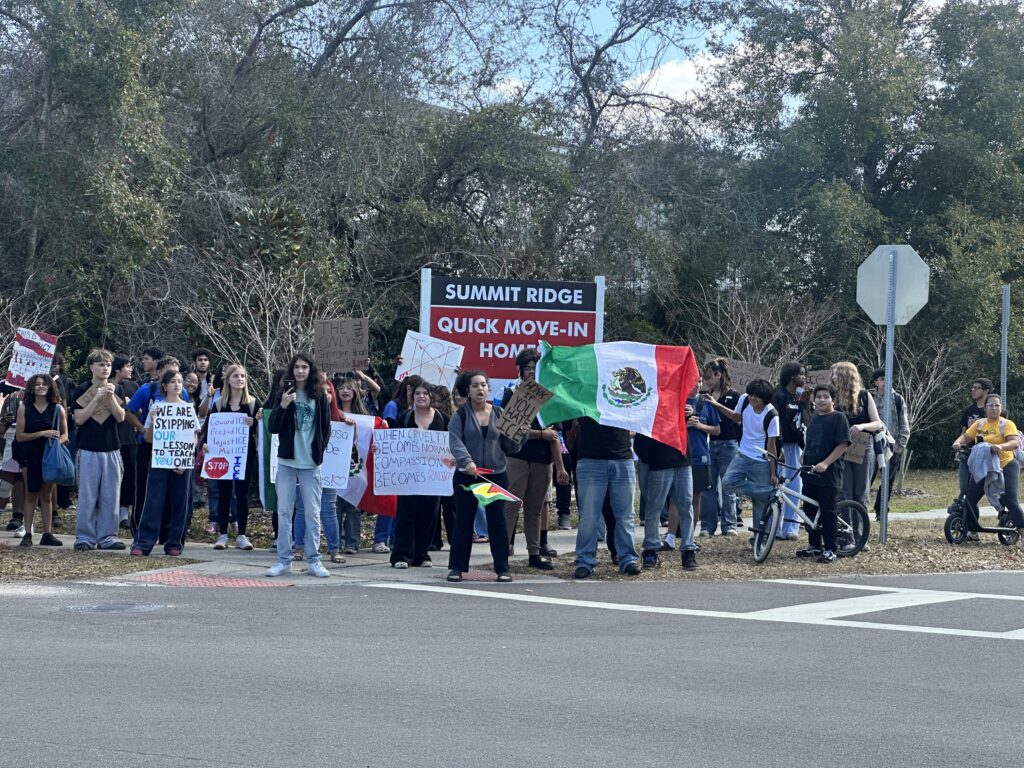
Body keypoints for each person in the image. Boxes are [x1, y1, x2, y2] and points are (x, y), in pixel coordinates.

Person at [447, 371, 524, 583]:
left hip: (495, 476)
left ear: (488, 389)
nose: (480, 389)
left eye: (483, 385)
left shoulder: (499, 413)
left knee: (497, 522)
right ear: (467, 391)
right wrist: (468, 462)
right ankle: (457, 568)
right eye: (475, 386)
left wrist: (521, 434)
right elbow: (455, 442)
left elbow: (511, 447)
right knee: (463, 522)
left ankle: (502, 568)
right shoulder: (460, 416)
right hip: (467, 476)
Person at [500, 349, 569, 571]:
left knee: (535, 508)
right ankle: (501, 553)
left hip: (543, 461)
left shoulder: (549, 396)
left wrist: (560, 467)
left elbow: (554, 436)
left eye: (535, 369)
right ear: (520, 370)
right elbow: (511, 430)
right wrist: (539, 434)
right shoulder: (512, 393)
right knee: (511, 505)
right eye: (527, 368)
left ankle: (534, 553)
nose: (531, 372)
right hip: (517, 458)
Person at [266, 353, 333, 578]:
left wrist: (318, 453)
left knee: (313, 513)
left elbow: (326, 428)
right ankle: (284, 560)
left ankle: (314, 560)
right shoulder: (283, 394)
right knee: (284, 512)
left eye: (305, 367)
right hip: (286, 463)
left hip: (311, 465)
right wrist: (283, 406)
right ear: (291, 370)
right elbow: (272, 427)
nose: (300, 371)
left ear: (310, 370)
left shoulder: (319, 395)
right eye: (297, 367)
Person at [130, 370, 201, 556]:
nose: (177, 385)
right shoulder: (157, 407)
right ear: (164, 386)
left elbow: (194, 435)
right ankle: (143, 542)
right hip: (160, 459)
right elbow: (148, 438)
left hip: (181, 462)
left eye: (179, 381)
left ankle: (174, 542)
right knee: (153, 500)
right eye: (172, 382)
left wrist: (186, 458)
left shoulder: (188, 408)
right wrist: (153, 420)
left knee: (179, 502)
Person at [708, 378, 780, 542]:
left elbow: (772, 446)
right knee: (727, 482)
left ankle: (760, 539)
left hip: (761, 460)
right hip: (742, 454)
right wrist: (715, 404)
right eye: (750, 394)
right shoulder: (744, 400)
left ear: (765, 398)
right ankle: (769, 492)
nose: (752, 398)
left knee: (760, 504)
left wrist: (773, 472)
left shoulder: (772, 415)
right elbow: (736, 417)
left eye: (757, 396)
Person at [124, 356, 190, 536]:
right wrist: (142, 429)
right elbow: (129, 412)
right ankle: (139, 530)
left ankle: (166, 532)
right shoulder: (147, 389)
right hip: (149, 445)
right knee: (145, 489)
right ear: (159, 373)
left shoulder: (182, 394)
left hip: (173, 447)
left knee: (172, 491)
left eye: (177, 374)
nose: (174, 379)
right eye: (169, 373)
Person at [70, 349, 126, 551]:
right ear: (92, 367)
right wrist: (96, 398)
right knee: (87, 496)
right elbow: (79, 419)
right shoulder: (81, 389)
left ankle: (108, 537)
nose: (105, 368)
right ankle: (84, 537)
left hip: (112, 449)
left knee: (111, 495)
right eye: (101, 364)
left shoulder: (117, 389)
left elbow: (120, 417)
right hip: (88, 449)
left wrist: (109, 397)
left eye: (108, 365)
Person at [952, 393, 1024, 548]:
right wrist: (957, 443)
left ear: (1001, 408)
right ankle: (970, 529)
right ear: (985, 408)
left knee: (1009, 499)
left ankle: (1022, 532)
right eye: (991, 405)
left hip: (1006, 465)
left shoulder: (1006, 424)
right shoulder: (979, 424)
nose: (994, 408)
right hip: (985, 467)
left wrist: (1001, 446)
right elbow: (965, 437)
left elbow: (1014, 443)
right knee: (969, 498)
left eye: (997, 405)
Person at [294, 375, 353, 563]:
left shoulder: (340, 419)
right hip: (305, 466)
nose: (326, 395)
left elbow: (354, 443)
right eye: (322, 391)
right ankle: (299, 548)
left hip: (330, 471)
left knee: (328, 509)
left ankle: (334, 549)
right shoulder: (305, 415)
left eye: (329, 391)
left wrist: (352, 427)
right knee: (302, 508)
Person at [201, 364, 259, 551]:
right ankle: (223, 534)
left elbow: (262, 433)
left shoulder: (253, 403)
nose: (240, 379)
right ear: (228, 380)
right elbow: (209, 428)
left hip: (245, 453)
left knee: (242, 493)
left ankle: (242, 534)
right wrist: (206, 444)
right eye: (235, 376)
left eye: (242, 376)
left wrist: (254, 423)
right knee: (224, 492)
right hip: (223, 454)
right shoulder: (219, 404)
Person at [572, 417, 640, 578]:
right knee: (589, 516)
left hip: (622, 457)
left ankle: (628, 559)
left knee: (626, 515)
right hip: (590, 458)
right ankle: (584, 561)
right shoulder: (583, 392)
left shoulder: (622, 391)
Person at [390, 382, 448, 568]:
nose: (421, 396)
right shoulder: (405, 418)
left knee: (429, 514)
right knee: (405, 514)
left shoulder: (443, 419)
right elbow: (392, 441)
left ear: (431, 397)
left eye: (425, 393)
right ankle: (401, 555)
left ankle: (421, 554)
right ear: (412, 396)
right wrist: (380, 448)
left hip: (434, 478)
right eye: (417, 393)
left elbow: (453, 443)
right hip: (408, 477)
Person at [795, 384, 852, 563]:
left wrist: (826, 463)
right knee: (810, 510)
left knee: (827, 512)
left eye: (826, 396)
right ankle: (814, 545)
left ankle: (830, 549)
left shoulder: (838, 418)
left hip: (829, 474)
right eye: (818, 396)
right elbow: (810, 440)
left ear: (833, 399)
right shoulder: (813, 417)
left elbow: (842, 445)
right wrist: (804, 456)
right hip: (810, 472)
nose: (821, 400)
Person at [13, 374, 68, 546]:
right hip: (30, 454)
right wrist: (42, 434)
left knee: (47, 495)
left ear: (50, 387)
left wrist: (55, 444)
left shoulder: (58, 408)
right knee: (31, 493)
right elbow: (20, 436)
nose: (40, 387)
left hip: (49, 456)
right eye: (37, 384)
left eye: (44, 384)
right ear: (32, 387)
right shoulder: (24, 407)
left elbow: (65, 434)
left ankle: (47, 533)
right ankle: (27, 532)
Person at [831, 361, 883, 510]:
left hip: (862, 445)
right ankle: (846, 532)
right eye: (832, 374)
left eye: (836, 373)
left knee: (861, 493)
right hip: (840, 447)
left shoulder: (864, 395)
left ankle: (860, 531)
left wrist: (862, 426)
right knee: (843, 492)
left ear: (846, 376)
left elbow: (877, 423)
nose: (833, 377)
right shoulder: (831, 396)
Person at [700, 358, 742, 535]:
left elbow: (737, 418)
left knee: (728, 485)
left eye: (709, 377)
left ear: (718, 375)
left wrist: (715, 404)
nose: (706, 381)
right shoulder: (704, 395)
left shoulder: (734, 395)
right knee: (708, 486)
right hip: (708, 443)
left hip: (728, 443)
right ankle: (708, 525)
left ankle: (729, 524)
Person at [771, 362, 808, 540]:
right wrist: (778, 447)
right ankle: (775, 528)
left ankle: (790, 528)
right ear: (792, 376)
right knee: (780, 486)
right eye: (801, 374)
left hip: (797, 447)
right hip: (781, 446)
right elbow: (775, 423)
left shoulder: (801, 399)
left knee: (795, 487)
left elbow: (805, 422)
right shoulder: (779, 397)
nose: (804, 377)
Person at [869, 368, 911, 520]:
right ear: (875, 382)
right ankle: (858, 507)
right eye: (881, 378)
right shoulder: (868, 397)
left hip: (890, 445)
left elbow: (904, 424)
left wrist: (899, 445)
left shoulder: (897, 398)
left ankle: (881, 510)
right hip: (870, 444)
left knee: (887, 480)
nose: (885, 381)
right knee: (866, 479)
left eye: (887, 378)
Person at [334, 376, 369, 554]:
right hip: (334, 465)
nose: (345, 391)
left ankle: (352, 543)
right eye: (341, 388)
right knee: (335, 504)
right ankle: (335, 542)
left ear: (355, 391)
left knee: (354, 506)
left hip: (356, 466)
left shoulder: (364, 417)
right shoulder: (331, 412)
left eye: (349, 387)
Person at [686, 379, 720, 542]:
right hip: (681, 455)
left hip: (701, 455)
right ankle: (672, 534)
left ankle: (690, 536)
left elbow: (717, 430)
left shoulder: (706, 402)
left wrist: (700, 426)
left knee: (696, 496)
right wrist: (684, 424)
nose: (698, 385)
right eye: (694, 381)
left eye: (700, 381)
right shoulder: (677, 399)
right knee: (676, 498)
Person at [113, 355, 139, 530]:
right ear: (118, 369)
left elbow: (140, 411)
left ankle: (124, 513)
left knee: (130, 477)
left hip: (130, 438)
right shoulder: (106, 387)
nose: (130, 369)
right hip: (111, 439)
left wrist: (132, 406)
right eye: (127, 366)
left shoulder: (134, 386)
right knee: (113, 478)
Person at [957, 378, 993, 493]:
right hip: (968, 452)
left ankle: (1002, 509)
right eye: (972, 388)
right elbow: (964, 431)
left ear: (986, 391)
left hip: (984, 453)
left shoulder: (991, 411)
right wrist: (959, 446)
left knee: (987, 486)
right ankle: (966, 508)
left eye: (977, 388)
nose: (973, 390)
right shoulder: (969, 410)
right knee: (964, 487)